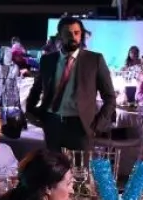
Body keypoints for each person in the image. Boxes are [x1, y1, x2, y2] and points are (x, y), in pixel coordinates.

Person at [25, 16, 116, 153]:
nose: (73, 37)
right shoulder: (48, 60)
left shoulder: (94, 60)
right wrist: (30, 111)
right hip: (52, 123)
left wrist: (97, 125)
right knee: (53, 165)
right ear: (60, 36)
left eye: (76, 33)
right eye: (68, 33)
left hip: (80, 126)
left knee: (80, 166)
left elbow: (110, 97)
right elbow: (36, 90)